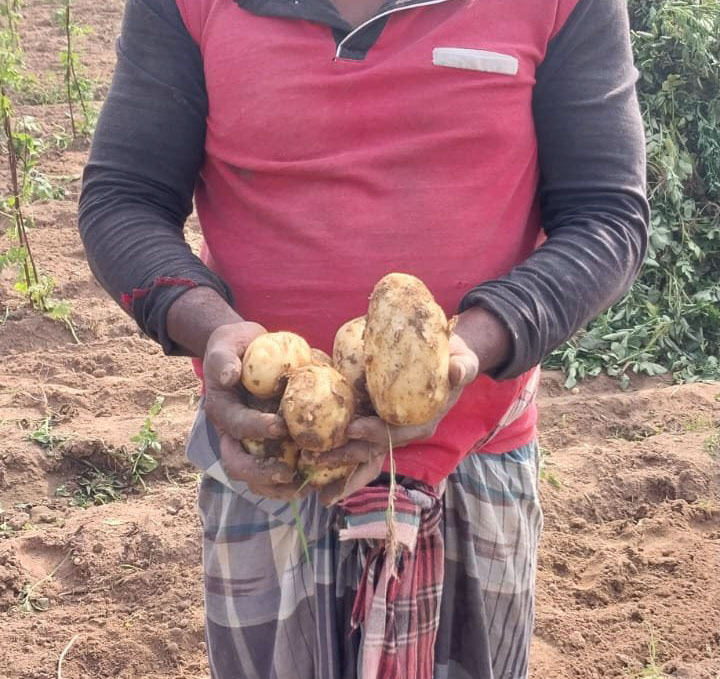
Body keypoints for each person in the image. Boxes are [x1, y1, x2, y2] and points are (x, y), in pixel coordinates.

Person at [78, 0, 649, 676]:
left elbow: (605, 215)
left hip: (472, 460)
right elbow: (125, 197)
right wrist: (213, 327)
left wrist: (471, 344)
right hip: (269, 456)